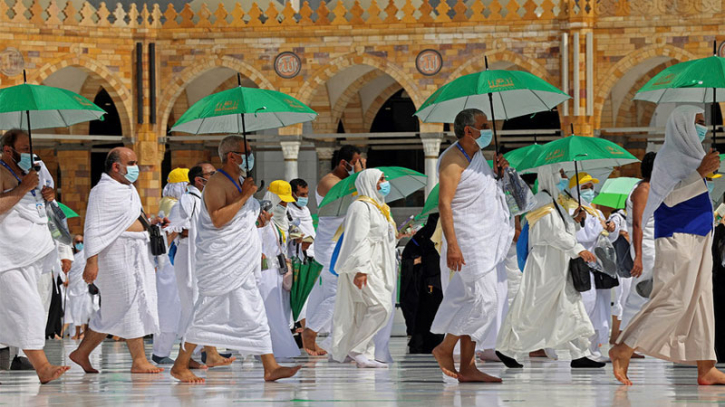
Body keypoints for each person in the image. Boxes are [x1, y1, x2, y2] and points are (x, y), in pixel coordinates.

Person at [610, 105, 725, 386]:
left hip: (698, 236)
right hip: (677, 237)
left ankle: (706, 367)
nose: (703, 128)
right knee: (674, 300)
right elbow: (668, 199)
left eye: (703, 122)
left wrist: (702, 172)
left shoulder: (695, 155)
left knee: (701, 302)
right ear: (683, 125)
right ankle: (624, 347)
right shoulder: (668, 157)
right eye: (697, 122)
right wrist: (699, 173)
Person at [170, 135, 300, 383]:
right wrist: (244, 196)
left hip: (240, 263)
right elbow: (218, 219)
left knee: (255, 313)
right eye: (247, 152)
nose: (250, 156)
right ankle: (179, 364)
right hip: (222, 263)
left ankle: (270, 367)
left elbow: (239, 219)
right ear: (232, 156)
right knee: (206, 312)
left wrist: (256, 219)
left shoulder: (239, 180)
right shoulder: (217, 183)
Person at [430, 109, 514, 382]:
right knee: (485, 300)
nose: (488, 130)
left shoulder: (477, 157)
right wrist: (452, 245)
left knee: (475, 300)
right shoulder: (452, 160)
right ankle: (445, 348)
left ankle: (468, 366)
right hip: (468, 241)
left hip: (486, 239)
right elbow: (445, 203)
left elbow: (483, 194)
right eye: (484, 126)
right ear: (469, 130)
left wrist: (497, 174)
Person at [496, 166, 604, 368]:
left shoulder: (556, 202)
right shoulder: (541, 201)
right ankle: (505, 348)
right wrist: (578, 249)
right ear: (549, 175)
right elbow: (552, 233)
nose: (563, 178)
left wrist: (574, 220)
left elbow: (561, 229)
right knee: (531, 308)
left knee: (571, 305)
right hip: (545, 266)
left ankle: (579, 354)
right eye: (560, 174)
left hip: (559, 264)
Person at [69, 147, 164, 374]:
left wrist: (153, 222)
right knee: (129, 302)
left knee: (116, 309)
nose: (135, 168)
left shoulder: (129, 190)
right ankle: (139, 360)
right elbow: (93, 226)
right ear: (116, 167)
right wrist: (91, 262)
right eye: (131, 163)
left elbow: (133, 217)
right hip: (115, 254)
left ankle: (81, 353)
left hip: (136, 252)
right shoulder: (101, 191)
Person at [0, 129, 70, 383]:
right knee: (25, 309)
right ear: (9, 150)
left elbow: (43, 208)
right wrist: (22, 189)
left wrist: (48, 196)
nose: (31, 153)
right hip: (7, 258)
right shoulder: (1, 171)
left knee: (28, 310)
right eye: (25, 148)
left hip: (34, 255)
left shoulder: (33, 173)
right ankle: (43, 368)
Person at [330, 169, 398, 368]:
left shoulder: (381, 207)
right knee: (381, 306)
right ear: (370, 182)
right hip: (365, 265)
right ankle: (356, 349)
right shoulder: (360, 207)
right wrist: (361, 269)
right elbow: (358, 240)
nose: (385, 182)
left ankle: (364, 353)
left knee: (365, 309)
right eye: (381, 179)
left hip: (379, 265)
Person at [302, 145, 365, 356]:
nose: (359, 165)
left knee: (332, 293)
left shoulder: (349, 183)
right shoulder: (329, 182)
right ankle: (310, 333)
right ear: (343, 163)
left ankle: (335, 339)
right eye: (356, 161)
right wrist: (360, 177)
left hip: (341, 245)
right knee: (337, 293)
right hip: (330, 246)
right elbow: (350, 199)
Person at [170, 163, 223, 370]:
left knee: (197, 305)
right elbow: (173, 228)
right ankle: (209, 352)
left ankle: (189, 356)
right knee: (195, 304)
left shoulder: (206, 200)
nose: (216, 176)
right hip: (188, 257)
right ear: (200, 180)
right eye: (212, 174)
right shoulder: (187, 200)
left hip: (204, 258)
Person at [562, 172, 617, 362]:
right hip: (579, 265)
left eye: (591, 187)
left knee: (597, 309)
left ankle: (594, 349)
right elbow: (581, 237)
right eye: (584, 188)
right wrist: (599, 227)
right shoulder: (571, 211)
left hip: (597, 267)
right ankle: (581, 351)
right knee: (584, 307)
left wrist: (610, 228)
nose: (589, 191)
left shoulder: (595, 211)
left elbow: (607, 237)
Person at [257, 180, 301, 359]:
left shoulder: (280, 222)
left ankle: (277, 350)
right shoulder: (260, 221)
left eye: (286, 202)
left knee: (281, 314)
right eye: (281, 201)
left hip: (280, 273)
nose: (284, 205)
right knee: (270, 313)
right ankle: (268, 351)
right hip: (266, 273)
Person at [152, 167, 188, 365]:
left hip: (176, 263)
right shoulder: (172, 205)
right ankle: (160, 351)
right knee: (170, 307)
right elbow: (170, 232)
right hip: (169, 264)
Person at [618, 152, 657, 340]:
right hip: (646, 247)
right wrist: (639, 257)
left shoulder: (651, 188)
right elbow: (637, 224)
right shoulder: (644, 189)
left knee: (646, 293)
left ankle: (632, 338)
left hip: (652, 246)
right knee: (639, 293)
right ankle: (625, 339)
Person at [400, 213, 444, 354]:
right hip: (428, 281)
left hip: (432, 278)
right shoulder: (426, 234)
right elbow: (412, 256)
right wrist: (418, 262)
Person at [65, 234, 92, 340]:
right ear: (74, 243)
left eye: (81, 242)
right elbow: (68, 271)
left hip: (83, 286)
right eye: (77, 242)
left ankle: (84, 332)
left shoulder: (86, 255)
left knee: (85, 310)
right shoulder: (71, 257)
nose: (79, 244)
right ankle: (76, 332)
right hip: (73, 287)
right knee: (74, 310)